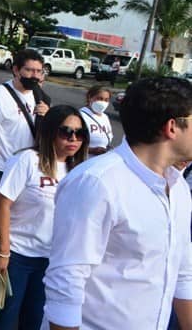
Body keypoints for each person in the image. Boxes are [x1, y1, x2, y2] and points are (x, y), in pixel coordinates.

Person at [43, 77, 192, 330]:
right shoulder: (97, 183)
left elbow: (183, 270)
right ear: (172, 127)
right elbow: (66, 282)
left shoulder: (178, 188)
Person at [0, 105, 88, 330]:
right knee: (0, 319)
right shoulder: (27, 160)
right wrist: (2, 250)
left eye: (79, 133)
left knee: (35, 320)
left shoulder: (79, 170)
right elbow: (2, 203)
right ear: (50, 131)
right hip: (12, 254)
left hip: (49, 260)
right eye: (66, 131)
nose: (73, 138)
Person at [0, 49, 49, 253]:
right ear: (16, 70)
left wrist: (48, 115)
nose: (34, 75)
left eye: (38, 71)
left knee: (14, 221)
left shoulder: (39, 96)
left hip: (28, 169)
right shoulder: (0, 94)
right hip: (1, 169)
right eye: (29, 70)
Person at [79, 85, 114, 158]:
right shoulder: (80, 115)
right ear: (89, 97)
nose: (103, 102)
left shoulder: (105, 117)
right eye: (100, 99)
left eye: (106, 100)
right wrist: (92, 150)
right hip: (82, 161)